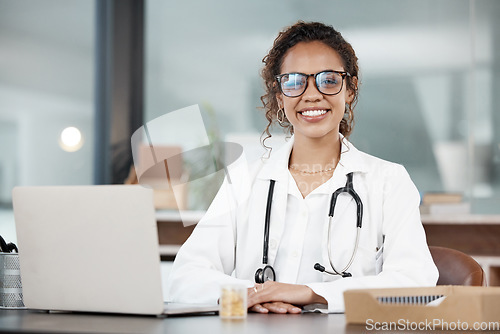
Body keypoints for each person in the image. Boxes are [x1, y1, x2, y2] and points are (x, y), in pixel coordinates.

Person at [165, 21, 438, 314]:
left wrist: (312, 293)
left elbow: (414, 282)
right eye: (294, 82)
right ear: (280, 95)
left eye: (329, 80)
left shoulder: (388, 181)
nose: (311, 95)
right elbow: (186, 275)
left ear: (350, 89)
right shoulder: (244, 180)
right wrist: (254, 295)